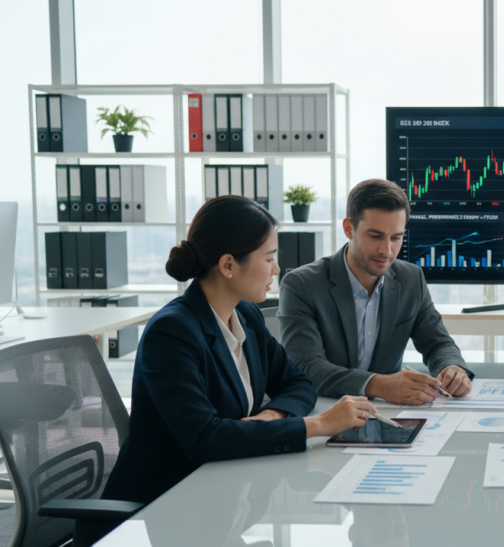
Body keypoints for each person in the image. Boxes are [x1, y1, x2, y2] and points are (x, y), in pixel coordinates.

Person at [103, 196, 379, 506]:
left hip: (225, 491)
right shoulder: (171, 334)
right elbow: (205, 439)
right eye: (268, 258)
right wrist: (319, 425)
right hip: (164, 508)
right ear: (228, 265)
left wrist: (271, 415)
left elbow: (298, 383)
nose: (276, 269)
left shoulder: (246, 316)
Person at [278, 178, 474, 405]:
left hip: (386, 412)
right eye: (375, 236)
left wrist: (452, 367)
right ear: (348, 229)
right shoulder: (302, 284)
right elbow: (307, 366)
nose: (387, 250)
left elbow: (437, 343)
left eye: (396, 238)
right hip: (324, 409)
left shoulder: (411, 279)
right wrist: (378, 385)